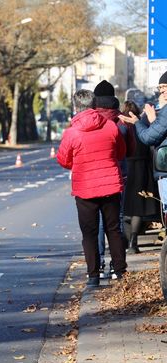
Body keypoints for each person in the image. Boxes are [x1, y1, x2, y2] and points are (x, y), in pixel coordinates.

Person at [57, 89, 127, 288]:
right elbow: (121, 152)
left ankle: (94, 276)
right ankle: (121, 272)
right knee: (113, 230)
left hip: (85, 188)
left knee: (89, 233)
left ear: (76, 107)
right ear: (94, 105)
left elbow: (63, 159)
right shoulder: (111, 127)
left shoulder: (72, 132)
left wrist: (77, 163)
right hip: (111, 184)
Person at [93, 80, 130, 277]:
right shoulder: (121, 123)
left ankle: (98, 264)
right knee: (118, 220)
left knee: (98, 222)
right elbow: (129, 149)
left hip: (93, 177)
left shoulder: (89, 122)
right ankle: (118, 267)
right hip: (119, 175)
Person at [119, 71, 167, 218]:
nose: (162, 91)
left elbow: (148, 137)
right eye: (160, 88)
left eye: (165, 86)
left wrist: (138, 123)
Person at [120, 100, 160, 254]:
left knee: (124, 207)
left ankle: (124, 240)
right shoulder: (141, 124)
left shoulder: (120, 126)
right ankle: (133, 242)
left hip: (125, 167)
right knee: (138, 207)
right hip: (142, 168)